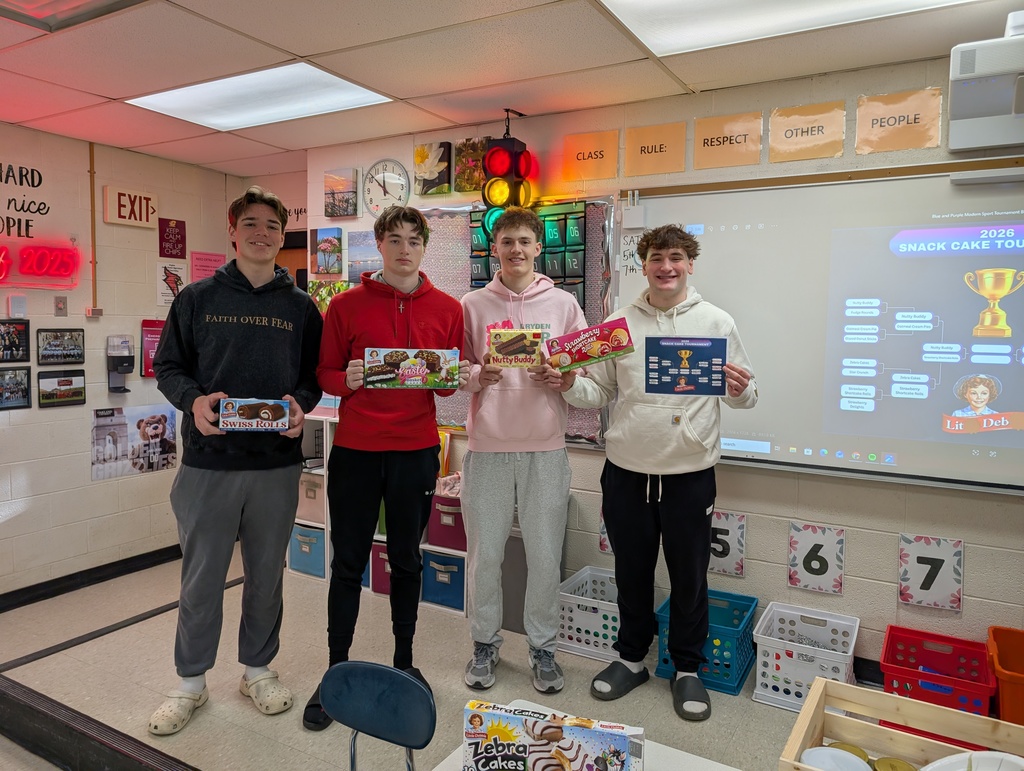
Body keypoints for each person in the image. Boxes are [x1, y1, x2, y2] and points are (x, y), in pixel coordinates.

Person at [547, 223, 757, 722]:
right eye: (657, 257)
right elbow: (596, 395)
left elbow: (747, 396)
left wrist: (738, 388)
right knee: (631, 574)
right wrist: (569, 382)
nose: (667, 266)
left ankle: (688, 668)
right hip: (626, 472)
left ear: (690, 264)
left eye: (677, 257)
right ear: (642, 264)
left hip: (689, 475)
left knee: (690, 578)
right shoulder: (617, 323)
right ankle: (630, 658)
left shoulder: (716, 322)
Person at [149, 185, 324, 735]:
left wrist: (301, 406)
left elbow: (313, 378)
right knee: (200, 580)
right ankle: (190, 685)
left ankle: (257, 670)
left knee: (266, 576)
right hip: (208, 464)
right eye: (250, 223)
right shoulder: (196, 298)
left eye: (272, 226)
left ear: (280, 234)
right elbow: (169, 367)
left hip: (274, 466)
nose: (262, 234)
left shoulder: (299, 306)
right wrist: (193, 402)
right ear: (232, 230)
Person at [304, 205, 468, 730]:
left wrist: (454, 374)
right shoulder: (346, 305)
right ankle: (335, 670)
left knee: (407, 560)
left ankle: (404, 660)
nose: (403, 249)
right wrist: (347, 377)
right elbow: (325, 374)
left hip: (416, 449)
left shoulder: (447, 308)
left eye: (412, 240)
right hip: (355, 449)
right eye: (393, 239)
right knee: (347, 562)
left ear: (424, 247)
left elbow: (445, 385)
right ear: (379, 245)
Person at [460, 206, 588, 694]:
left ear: (539, 248)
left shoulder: (564, 305)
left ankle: (543, 648)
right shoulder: (472, 305)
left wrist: (564, 377)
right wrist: (478, 375)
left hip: (546, 448)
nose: (516, 249)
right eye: (507, 240)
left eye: (524, 241)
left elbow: (582, 372)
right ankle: (485, 643)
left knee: (543, 554)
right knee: (484, 554)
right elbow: (457, 374)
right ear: (495, 248)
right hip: (489, 447)